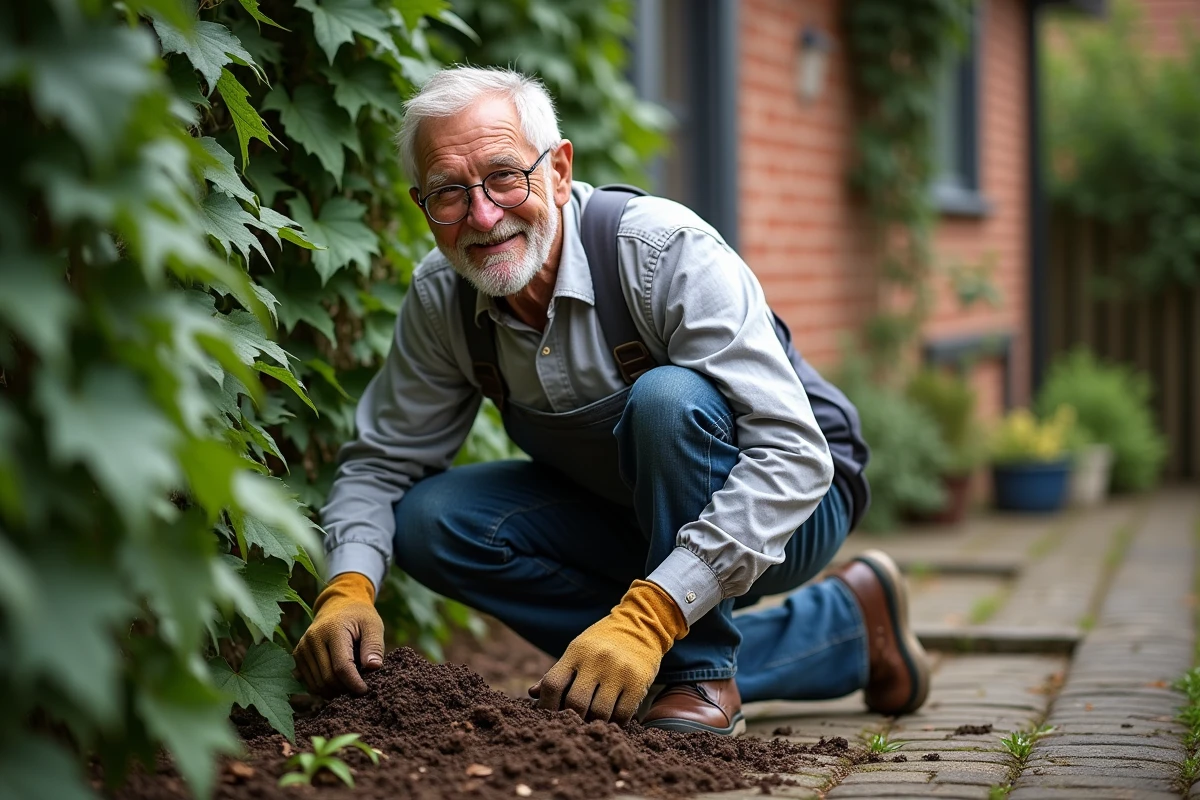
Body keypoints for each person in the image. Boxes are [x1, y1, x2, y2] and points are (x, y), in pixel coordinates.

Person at [293, 66, 930, 736]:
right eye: (450, 193)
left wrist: (649, 616)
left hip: (792, 503)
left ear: (560, 171)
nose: (482, 216)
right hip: (626, 512)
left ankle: (701, 676)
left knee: (669, 399)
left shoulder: (662, 251)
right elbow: (380, 465)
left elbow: (793, 455)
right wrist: (349, 585)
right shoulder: (441, 300)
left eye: (505, 176)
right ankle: (846, 630)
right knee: (432, 521)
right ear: (423, 205)